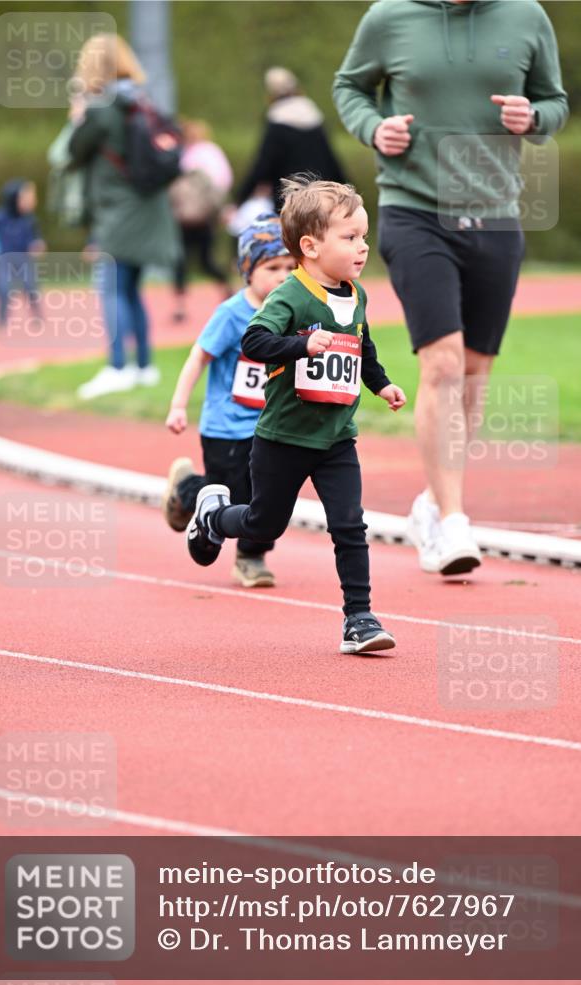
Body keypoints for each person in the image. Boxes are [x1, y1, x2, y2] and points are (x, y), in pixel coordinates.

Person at [333, 0, 569, 576]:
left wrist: (534, 117)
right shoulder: (389, 17)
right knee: (442, 363)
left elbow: (556, 103)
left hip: (496, 214)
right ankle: (454, 519)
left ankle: (433, 502)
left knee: (474, 370)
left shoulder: (527, 16)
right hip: (415, 210)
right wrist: (373, 127)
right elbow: (349, 87)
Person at [186, 176, 406, 654]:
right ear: (310, 246)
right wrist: (301, 344)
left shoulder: (357, 294)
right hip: (283, 438)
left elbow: (362, 347)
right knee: (264, 525)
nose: (362, 247)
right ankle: (215, 518)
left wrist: (382, 384)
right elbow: (254, 341)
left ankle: (359, 619)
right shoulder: (290, 295)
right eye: (350, 237)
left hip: (336, 438)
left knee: (349, 524)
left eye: (364, 236)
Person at [163, 214, 295, 588]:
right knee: (228, 495)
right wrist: (178, 405)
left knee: (269, 495)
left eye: (291, 267)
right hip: (225, 427)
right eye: (272, 267)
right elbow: (198, 357)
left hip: (269, 426)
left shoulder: (292, 312)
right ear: (248, 270)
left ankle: (251, 557)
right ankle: (186, 490)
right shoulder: (232, 314)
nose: (283, 276)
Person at [66, 34, 180, 400]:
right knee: (131, 289)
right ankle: (143, 366)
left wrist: (77, 117)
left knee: (111, 288)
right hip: (148, 209)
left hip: (118, 212)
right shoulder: (140, 101)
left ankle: (117, 367)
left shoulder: (101, 109)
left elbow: (73, 152)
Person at [237, 67, 346, 212]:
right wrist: (345, 190)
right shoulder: (313, 116)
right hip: (320, 197)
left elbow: (263, 164)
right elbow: (330, 160)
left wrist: (240, 198)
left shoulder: (276, 121)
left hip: (289, 200)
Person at [169, 119, 234, 323]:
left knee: (183, 261)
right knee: (203, 260)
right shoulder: (209, 153)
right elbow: (223, 182)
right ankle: (226, 288)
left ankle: (180, 304)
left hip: (186, 218)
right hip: (203, 217)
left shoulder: (184, 155)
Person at [0, 179, 44, 327]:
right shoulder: (0, 217)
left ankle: (38, 315)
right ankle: (2, 319)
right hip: (4, 260)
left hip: (24, 259)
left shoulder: (30, 219)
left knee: (31, 287)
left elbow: (37, 237)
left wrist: (37, 244)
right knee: (4, 288)